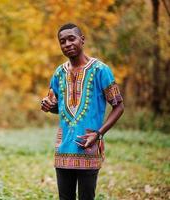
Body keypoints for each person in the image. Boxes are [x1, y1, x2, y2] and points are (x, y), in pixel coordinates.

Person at [41, 23, 124, 200]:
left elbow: (119, 106)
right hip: (63, 149)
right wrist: (48, 106)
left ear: (82, 39)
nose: (67, 44)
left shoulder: (101, 70)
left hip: (88, 148)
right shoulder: (59, 73)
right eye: (62, 41)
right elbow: (59, 106)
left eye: (72, 38)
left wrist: (98, 134)